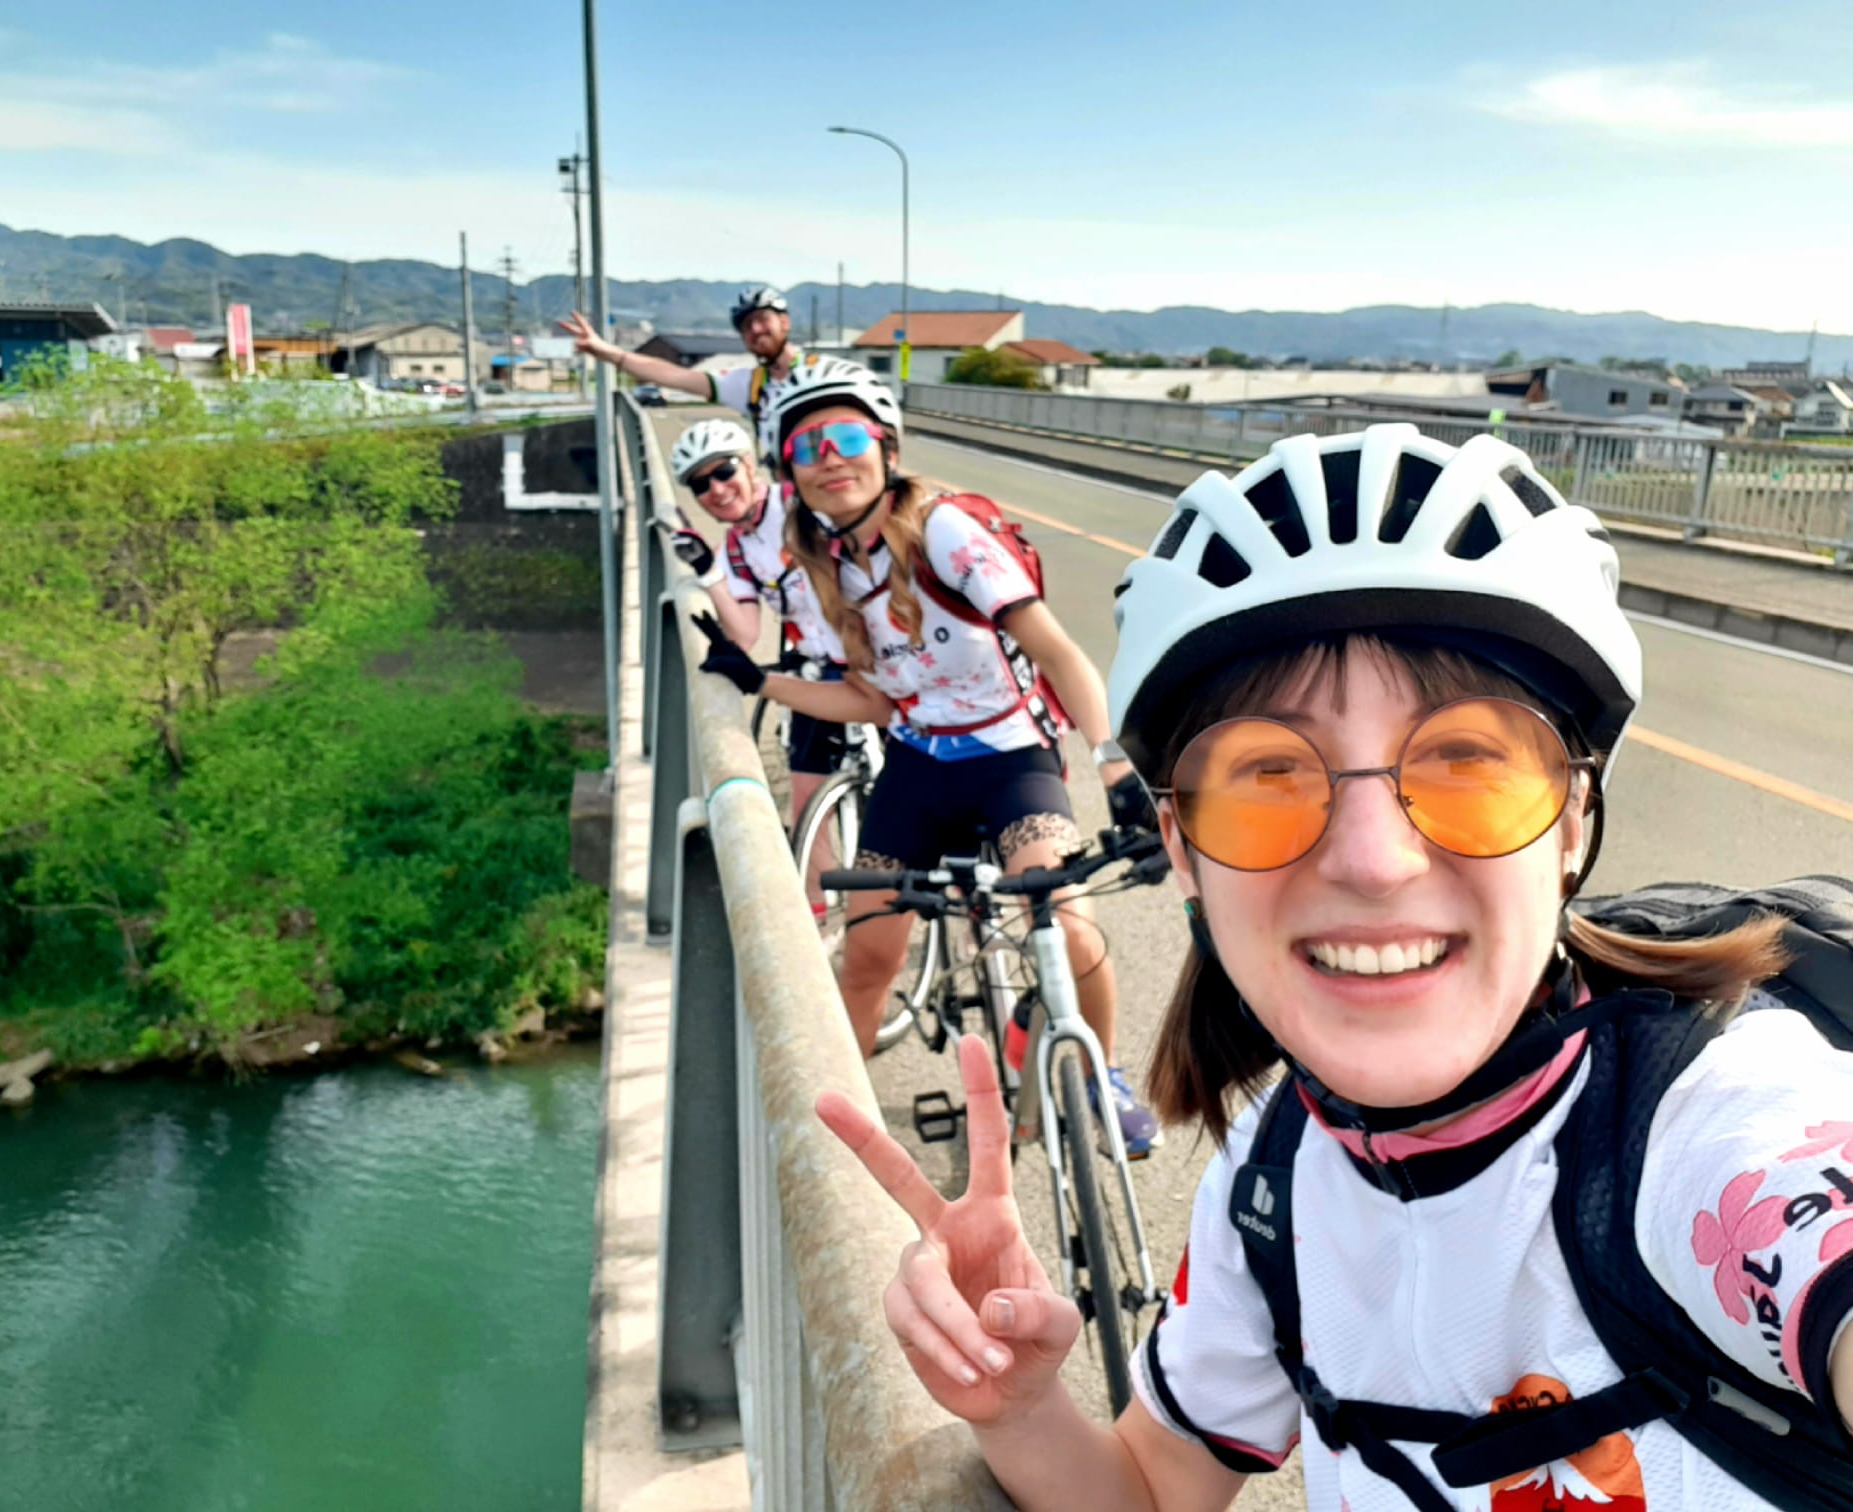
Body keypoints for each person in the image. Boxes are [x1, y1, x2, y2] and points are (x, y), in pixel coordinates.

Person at [816, 423, 1853, 1510]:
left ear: (1570, 820)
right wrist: (1020, 1405)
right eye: (1268, 775)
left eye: (1467, 762)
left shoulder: (1706, 1128)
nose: (1370, 862)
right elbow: (1155, 1491)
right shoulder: (1274, 1180)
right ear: (1181, 848)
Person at [692, 357, 1163, 1158]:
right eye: (808, 449)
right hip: (918, 764)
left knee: (1068, 928)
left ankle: (1099, 1076)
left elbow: (1056, 650)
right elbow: (871, 704)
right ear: (791, 475)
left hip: (1011, 756)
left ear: (886, 447)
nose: (830, 457)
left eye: (846, 437)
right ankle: (836, 1140)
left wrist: (1113, 762)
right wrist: (762, 679)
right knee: (870, 954)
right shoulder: (821, 570)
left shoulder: (946, 533)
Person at [664, 417, 850, 907]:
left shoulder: (801, 503)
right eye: (701, 485)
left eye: (724, 472)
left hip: (880, 658)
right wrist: (708, 572)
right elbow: (745, 632)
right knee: (808, 802)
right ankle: (814, 917)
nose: (717, 490)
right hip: (816, 663)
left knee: (923, 789)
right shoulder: (737, 548)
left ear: (749, 465)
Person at [557, 285, 813, 430]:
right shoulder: (750, 386)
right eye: (746, 326)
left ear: (784, 321)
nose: (755, 330)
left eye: (762, 320)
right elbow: (674, 376)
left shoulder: (825, 372)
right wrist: (609, 353)